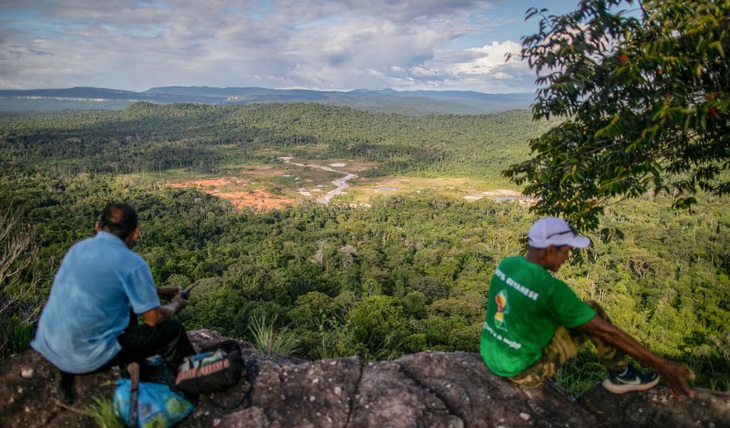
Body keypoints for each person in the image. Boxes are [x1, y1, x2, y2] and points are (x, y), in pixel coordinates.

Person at [479, 217, 695, 399]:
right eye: (566, 250)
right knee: (593, 311)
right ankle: (622, 374)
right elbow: (606, 332)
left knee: (556, 314)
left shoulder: (508, 265)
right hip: (522, 372)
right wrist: (662, 364)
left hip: (490, 355)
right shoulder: (551, 289)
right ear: (550, 250)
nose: (567, 257)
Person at [31, 203, 194, 401]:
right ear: (135, 232)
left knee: (129, 309)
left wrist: (156, 291)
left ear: (98, 226)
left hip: (49, 345)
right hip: (86, 357)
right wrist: (176, 304)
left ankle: (140, 366)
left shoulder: (78, 250)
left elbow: (110, 288)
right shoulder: (132, 263)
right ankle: (193, 388)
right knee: (172, 329)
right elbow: (154, 319)